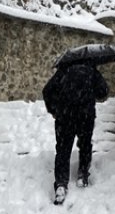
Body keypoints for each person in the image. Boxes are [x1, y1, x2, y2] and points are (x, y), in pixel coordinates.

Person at [42, 62, 109, 205]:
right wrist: (90, 91)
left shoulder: (63, 71)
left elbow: (47, 91)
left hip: (65, 117)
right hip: (85, 116)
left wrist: (54, 110)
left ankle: (61, 184)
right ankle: (82, 174)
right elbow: (103, 92)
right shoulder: (91, 70)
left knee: (63, 150)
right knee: (85, 145)